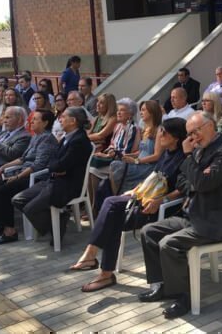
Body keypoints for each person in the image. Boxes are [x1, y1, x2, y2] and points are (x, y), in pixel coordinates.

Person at [137, 111, 222, 319]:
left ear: (211, 126)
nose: (193, 137)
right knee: (149, 231)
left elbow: (202, 183)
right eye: (190, 133)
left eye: (196, 131)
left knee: (168, 244)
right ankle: (163, 285)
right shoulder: (199, 151)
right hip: (191, 215)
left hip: (211, 222)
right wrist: (196, 179)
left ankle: (184, 297)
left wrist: (188, 159)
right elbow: (183, 181)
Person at [70, 118, 188, 292]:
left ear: (176, 137)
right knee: (113, 214)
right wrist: (135, 190)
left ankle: (98, 264)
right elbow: (153, 178)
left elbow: (182, 189)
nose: (159, 135)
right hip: (144, 201)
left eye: (164, 132)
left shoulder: (183, 158)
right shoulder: (166, 153)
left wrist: (160, 201)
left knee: (111, 209)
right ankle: (99, 267)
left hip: (162, 209)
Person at [11, 107, 93, 243]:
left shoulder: (79, 141)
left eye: (64, 117)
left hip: (67, 185)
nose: (60, 119)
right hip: (54, 179)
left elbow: (60, 165)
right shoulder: (65, 137)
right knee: (18, 200)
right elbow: (54, 162)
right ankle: (57, 223)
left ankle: (58, 226)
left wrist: (56, 166)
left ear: (73, 121)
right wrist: (56, 166)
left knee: (30, 208)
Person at [0, 109, 59, 244]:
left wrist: (18, 177)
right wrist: (3, 167)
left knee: (3, 191)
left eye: (36, 119)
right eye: (32, 119)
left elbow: (39, 165)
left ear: (45, 123)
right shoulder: (36, 136)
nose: (31, 121)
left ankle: (10, 232)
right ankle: (1, 224)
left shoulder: (47, 138)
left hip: (37, 178)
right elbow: (23, 158)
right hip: (25, 173)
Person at [108, 100, 163, 194]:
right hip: (139, 163)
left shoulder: (159, 130)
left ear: (152, 111)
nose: (141, 112)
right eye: (140, 110)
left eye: (143, 110)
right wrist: (125, 155)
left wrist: (136, 161)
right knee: (115, 164)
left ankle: (117, 195)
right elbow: (140, 152)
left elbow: (157, 155)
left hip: (148, 167)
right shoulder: (145, 130)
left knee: (115, 166)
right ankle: (117, 195)